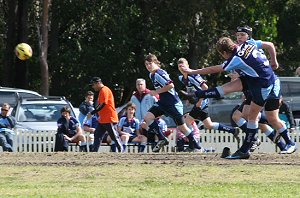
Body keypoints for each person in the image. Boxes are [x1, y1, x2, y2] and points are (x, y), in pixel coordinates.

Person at [182, 37, 296, 159]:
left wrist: (191, 71)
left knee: (253, 117)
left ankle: (247, 149)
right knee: (229, 88)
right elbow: (269, 45)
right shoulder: (248, 43)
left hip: (263, 84)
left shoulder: (235, 59)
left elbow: (213, 69)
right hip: (262, 78)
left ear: (224, 52)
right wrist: (273, 61)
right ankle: (196, 94)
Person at [143, 53, 202, 152]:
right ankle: (162, 138)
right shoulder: (151, 74)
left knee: (182, 127)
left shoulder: (159, 73)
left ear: (156, 63)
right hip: (163, 102)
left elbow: (171, 85)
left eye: (150, 63)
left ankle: (196, 145)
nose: (148, 66)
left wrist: (156, 92)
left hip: (172, 103)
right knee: (148, 118)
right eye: (146, 65)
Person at [177, 58, 240, 148]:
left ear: (187, 66)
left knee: (186, 122)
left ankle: (194, 146)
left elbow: (205, 88)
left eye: (183, 65)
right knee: (208, 125)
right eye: (179, 66)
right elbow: (190, 88)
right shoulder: (181, 78)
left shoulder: (193, 76)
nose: (181, 68)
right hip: (199, 102)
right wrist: (188, 98)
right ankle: (232, 130)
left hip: (201, 102)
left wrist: (200, 101)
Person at [87, 77, 123, 152]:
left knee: (114, 135)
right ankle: (94, 152)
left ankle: (121, 150)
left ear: (98, 83)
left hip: (109, 118)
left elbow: (103, 104)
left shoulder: (104, 90)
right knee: (97, 135)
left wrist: (92, 112)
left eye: (93, 85)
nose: (93, 87)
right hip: (103, 119)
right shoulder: (101, 91)